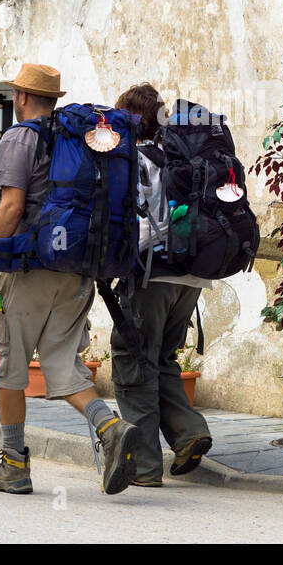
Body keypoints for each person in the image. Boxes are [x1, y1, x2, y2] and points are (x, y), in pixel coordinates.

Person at [0, 62, 141, 496]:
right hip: (78, 270)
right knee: (61, 364)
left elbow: (11, 208)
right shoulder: (73, 138)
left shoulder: (21, 136)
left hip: (30, 270)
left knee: (12, 367)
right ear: (53, 100)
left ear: (21, 97)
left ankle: (13, 464)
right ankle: (111, 428)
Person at [110, 83, 214, 487]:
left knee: (133, 361)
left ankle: (145, 467)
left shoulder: (134, 159)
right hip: (193, 276)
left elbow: (133, 224)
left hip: (154, 273)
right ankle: (189, 433)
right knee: (163, 358)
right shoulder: (184, 155)